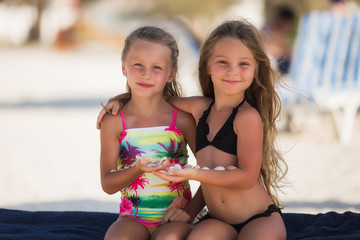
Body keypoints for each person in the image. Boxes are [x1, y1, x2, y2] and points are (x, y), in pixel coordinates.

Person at [99, 19, 288, 239]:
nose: (232, 71)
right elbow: (157, 95)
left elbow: (246, 178)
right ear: (207, 66)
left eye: (243, 64)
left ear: (256, 70)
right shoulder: (198, 109)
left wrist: (195, 174)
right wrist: (121, 99)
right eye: (223, 62)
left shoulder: (246, 117)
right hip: (218, 220)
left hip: (258, 217)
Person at [99, 26, 205, 240]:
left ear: (171, 74)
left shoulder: (182, 120)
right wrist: (136, 169)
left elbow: (210, 173)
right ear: (123, 67)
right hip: (132, 219)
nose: (146, 74)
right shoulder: (114, 122)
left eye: (157, 67)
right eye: (138, 65)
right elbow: (107, 184)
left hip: (175, 218)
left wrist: (190, 212)